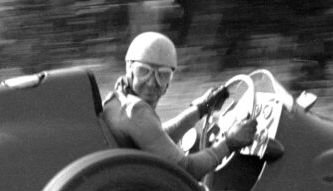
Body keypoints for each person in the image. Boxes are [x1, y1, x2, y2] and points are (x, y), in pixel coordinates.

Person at [102, 32, 257, 181]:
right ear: (129, 69)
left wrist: (201, 108)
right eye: (144, 71)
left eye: (162, 75)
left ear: (170, 80)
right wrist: (229, 143)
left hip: (136, 185)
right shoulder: (136, 111)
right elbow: (185, 170)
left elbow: (156, 137)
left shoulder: (118, 100)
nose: (151, 82)